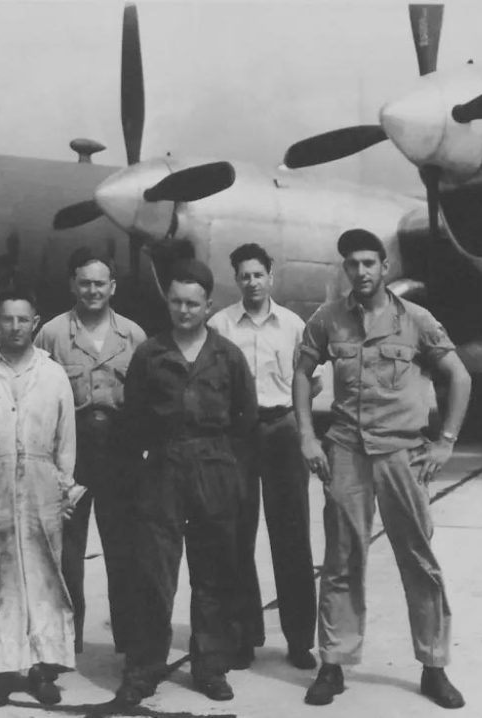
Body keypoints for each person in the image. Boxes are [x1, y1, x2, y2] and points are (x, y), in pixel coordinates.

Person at [293, 229, 471, 709]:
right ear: (344, 269)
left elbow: (459, 375)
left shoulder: (415, 320)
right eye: (352, 264)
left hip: (402, 453)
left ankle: (433, 666)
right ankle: (333, 663)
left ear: (384, 267)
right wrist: (308, 435)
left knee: (417, 559)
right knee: (341, 559)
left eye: (370, 262)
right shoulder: (327, 319)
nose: (362, 271)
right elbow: (302, 373)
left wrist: (445, 441)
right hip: (347, 450)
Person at [115, 259, 258, 706]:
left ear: (208, 305)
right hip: (162, 469)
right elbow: (133, 417)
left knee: (213, 574)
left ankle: (210, 666)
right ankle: (144, 666)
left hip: (214, 467)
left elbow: (245, 419)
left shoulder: (228, 356)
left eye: (192, 303)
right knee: (153, 574)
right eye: (176, 302)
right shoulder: (150, 354)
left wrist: (227, 469)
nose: (183, 310)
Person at [0, 286, 85, 708]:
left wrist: (65, 488)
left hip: (43, 487)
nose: (14, 327)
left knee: (45, 578)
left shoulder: (53, 374)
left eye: (23, 319)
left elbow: (66, 438)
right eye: (6, 319)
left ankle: (43, 670)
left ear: (35, 323)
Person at [208, 243, 318, 671]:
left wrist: (292, 419)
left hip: (281, 430)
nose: (251, 282)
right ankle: (242, 636)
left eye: (258, 274)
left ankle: (299, 639)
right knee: (236, 536)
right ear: (235, 279)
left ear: (271, 275)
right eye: (244, 275)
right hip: (237, 434)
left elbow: (313, 382)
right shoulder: (220, 324)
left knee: (291, 537)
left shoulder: (292, 325)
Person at [34, 247, 146, 655]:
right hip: (71, 452)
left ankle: (128, 639)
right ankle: (67, 640)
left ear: (112, 287)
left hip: (120, 452)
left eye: (100, 283)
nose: (93, 290)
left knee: (124, 549)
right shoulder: (51, 333)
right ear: (72, 285)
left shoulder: (133, 336)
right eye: (85, 282)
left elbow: (143, 398)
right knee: (66, 550)